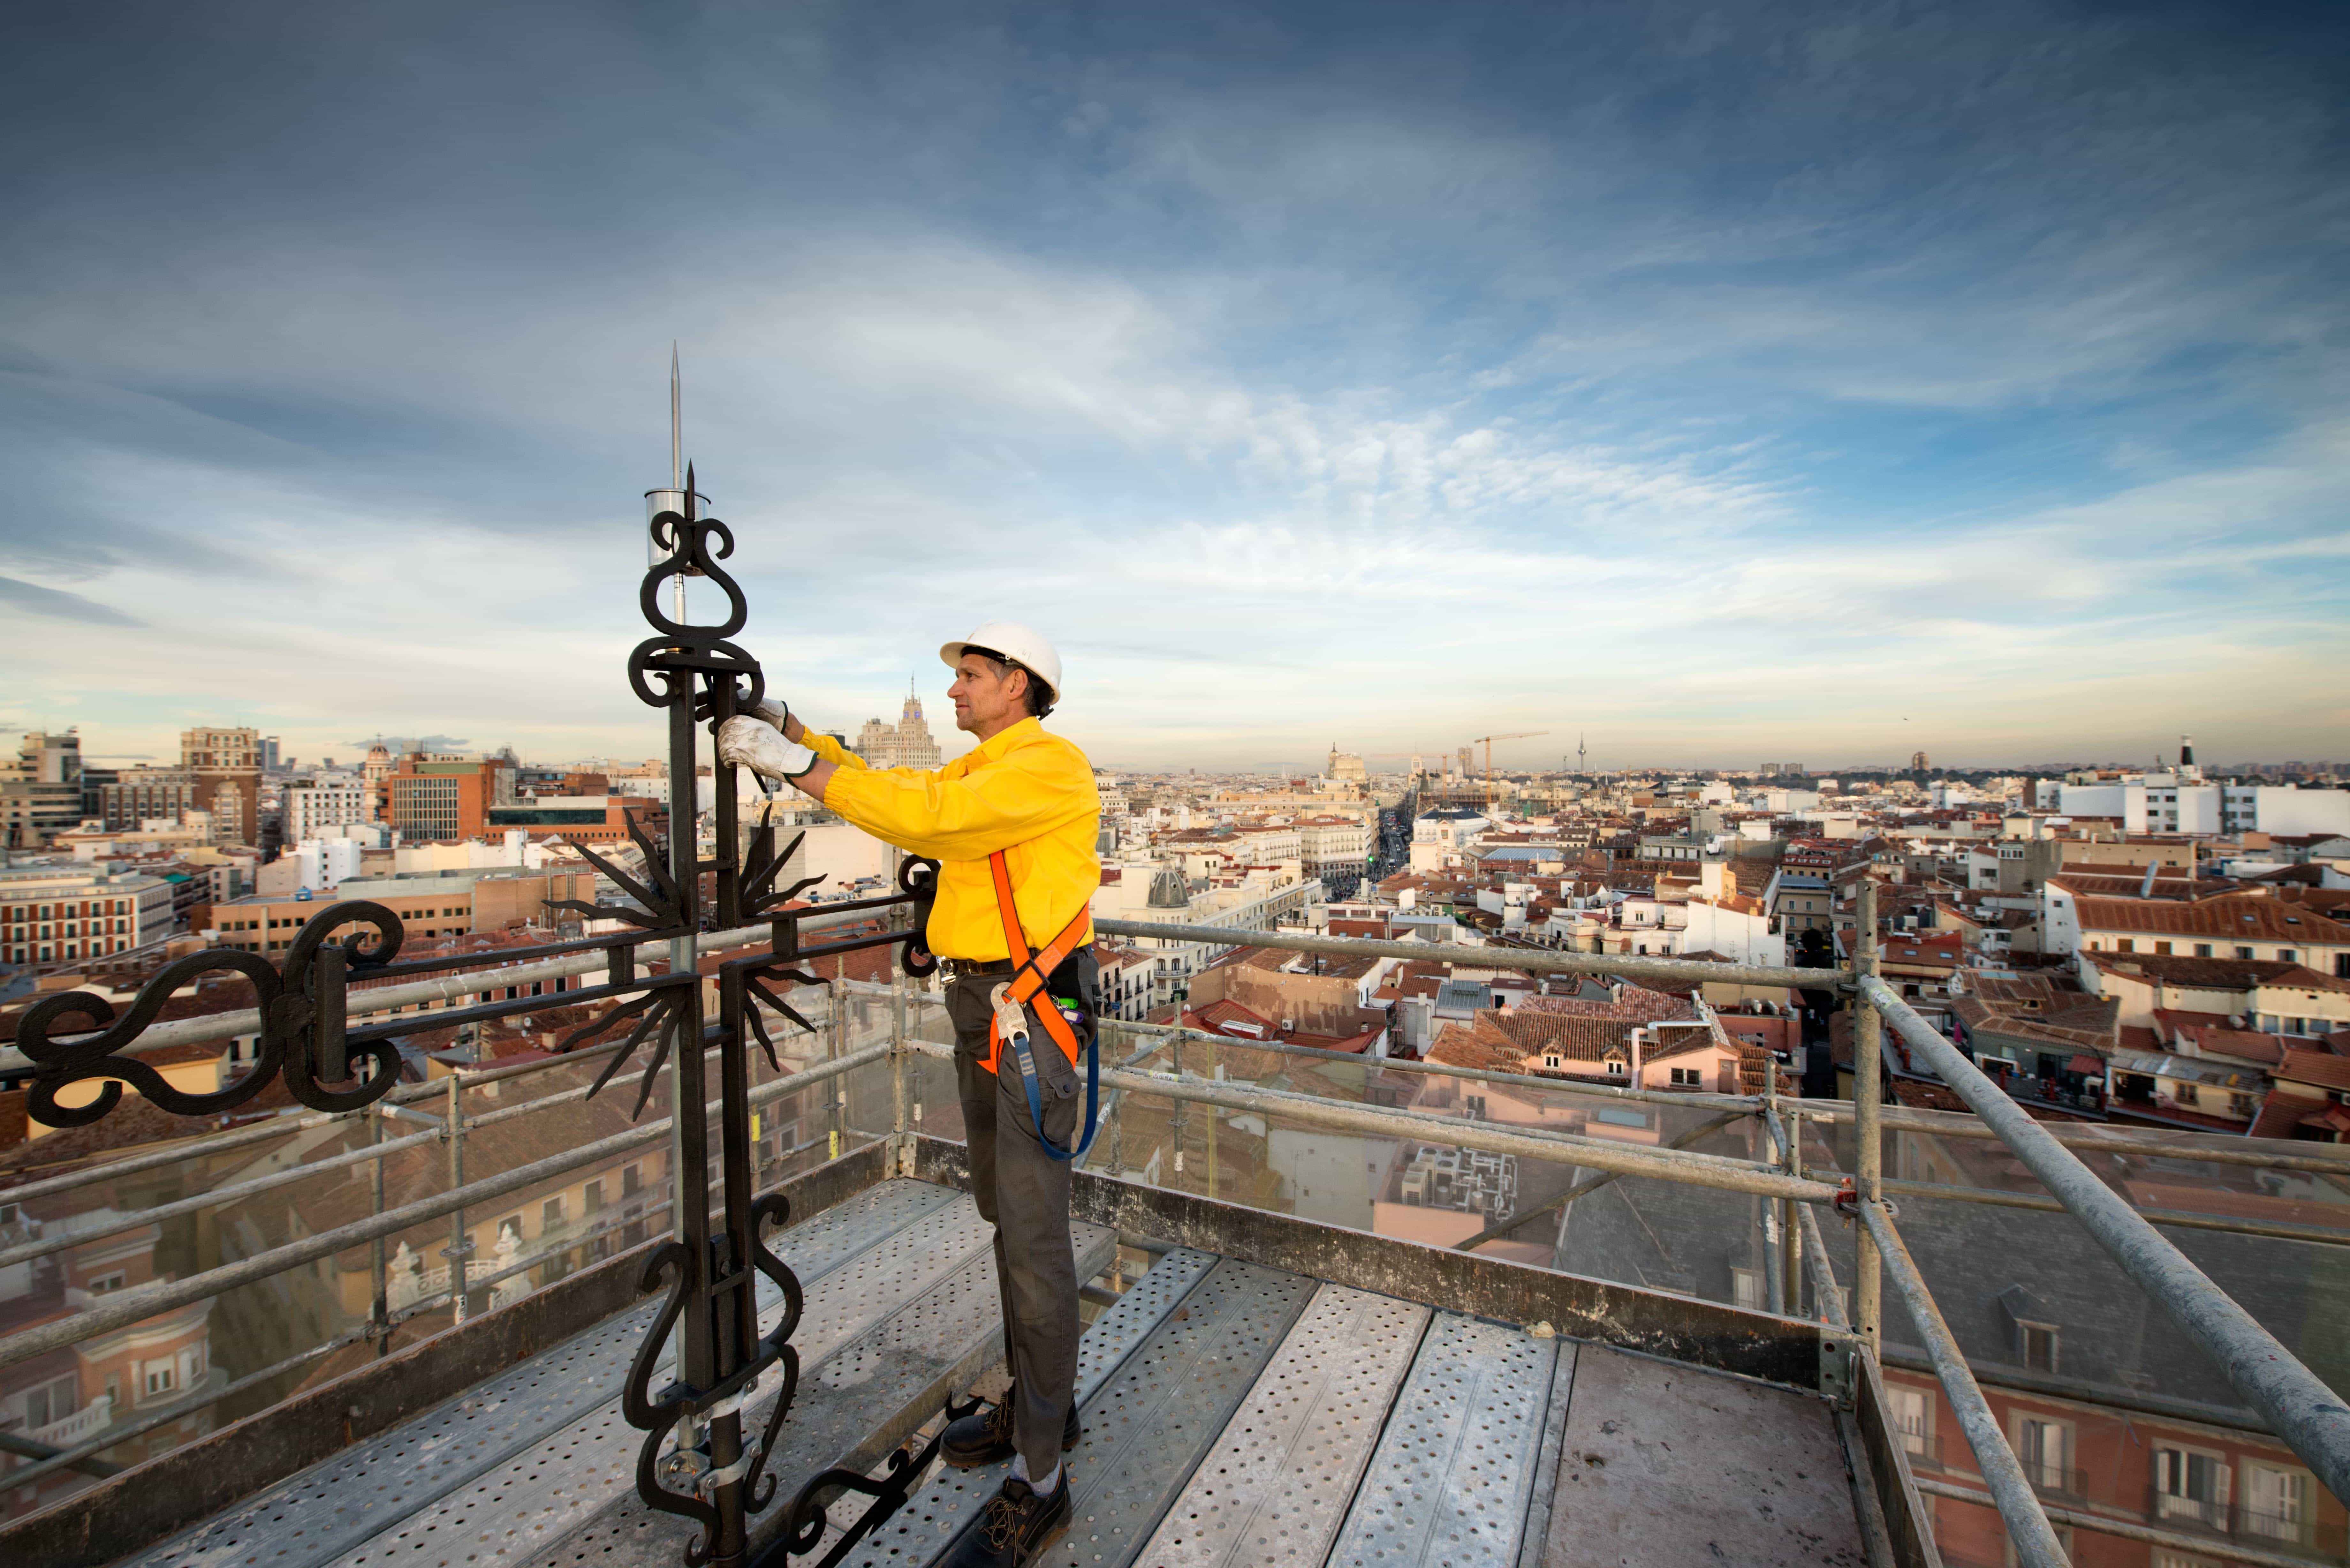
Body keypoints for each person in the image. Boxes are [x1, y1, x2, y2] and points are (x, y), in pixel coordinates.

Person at [715, 621, 1099, 1568]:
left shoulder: (1050, 765)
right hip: (988, 1003)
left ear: (1019, 684)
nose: (956, 692)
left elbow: (921, 820)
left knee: (1036, 1239)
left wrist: (796, 768)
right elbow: (911, 792)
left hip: (1027, 1015)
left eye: (970, 677)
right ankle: (1040, 1406)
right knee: (1005, 1218)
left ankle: (1043, 1474)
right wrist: (794, 727)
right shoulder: (979, 770)